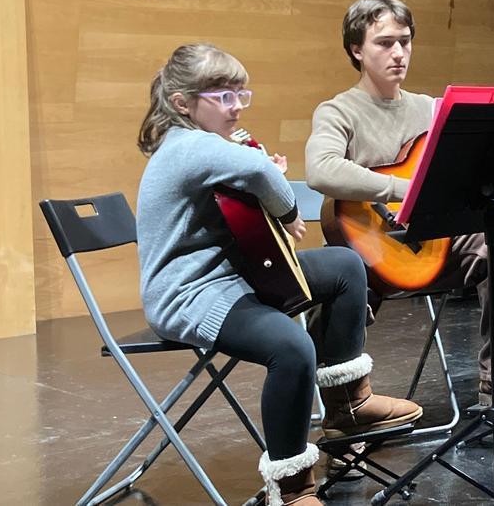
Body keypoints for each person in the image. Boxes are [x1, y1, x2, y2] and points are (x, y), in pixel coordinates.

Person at [136, 44, 421, 505]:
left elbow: (243, 184)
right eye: (222, 97)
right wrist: (287, 213)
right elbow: (255, 169)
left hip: (231, 277)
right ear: (182, 103)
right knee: (291, 347)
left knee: (345, 266)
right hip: (188, 295)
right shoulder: (187, 145)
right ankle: (291, 489)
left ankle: (349, 405)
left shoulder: (207, 144)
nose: (235, 107)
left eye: (240, 95)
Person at [305, 0, 494, 410]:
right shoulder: (338, 111)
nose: (398, 53)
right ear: (356, 49)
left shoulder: (429, 109)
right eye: (385, 43)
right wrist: (402, 187)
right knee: (339, 279)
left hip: (433, 245)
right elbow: (321, 170)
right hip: (372, 254)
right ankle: (346, 408)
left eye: (405, 42)